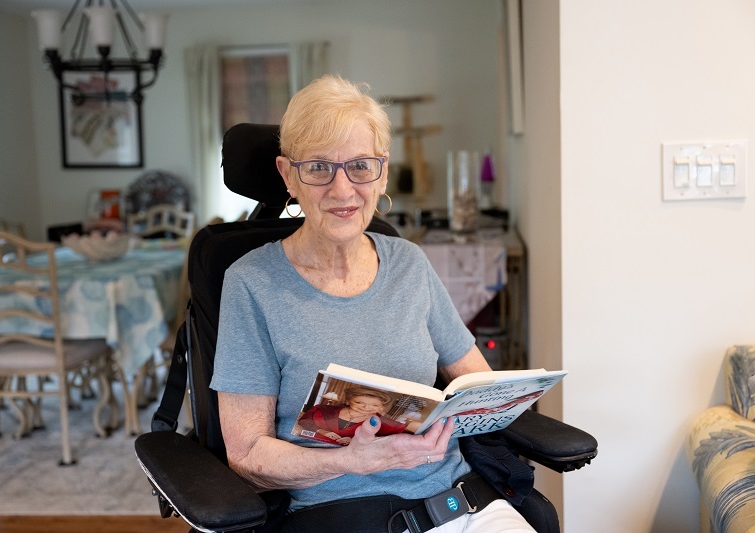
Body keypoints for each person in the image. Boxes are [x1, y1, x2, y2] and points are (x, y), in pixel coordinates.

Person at [211, 75, 535, 532]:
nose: (343, 191)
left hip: (457, 500)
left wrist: (501, 399)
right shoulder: (251, 284)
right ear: (288, 176)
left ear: (381, 170)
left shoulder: (409, 263)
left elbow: (475, 381)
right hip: (343, 514)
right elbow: (246, 457)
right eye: (319, 168)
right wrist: (352, 460)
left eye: (360, 166)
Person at [297, 386, 407, 445]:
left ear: (381, 408)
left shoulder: (387, 424)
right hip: (312, 446)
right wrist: (322, 431)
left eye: (374, 405)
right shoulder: (323, 409)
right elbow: (304, 421)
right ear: (349, 401)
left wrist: (357, 440)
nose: (366, 407)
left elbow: (392, 440)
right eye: (359, 403)